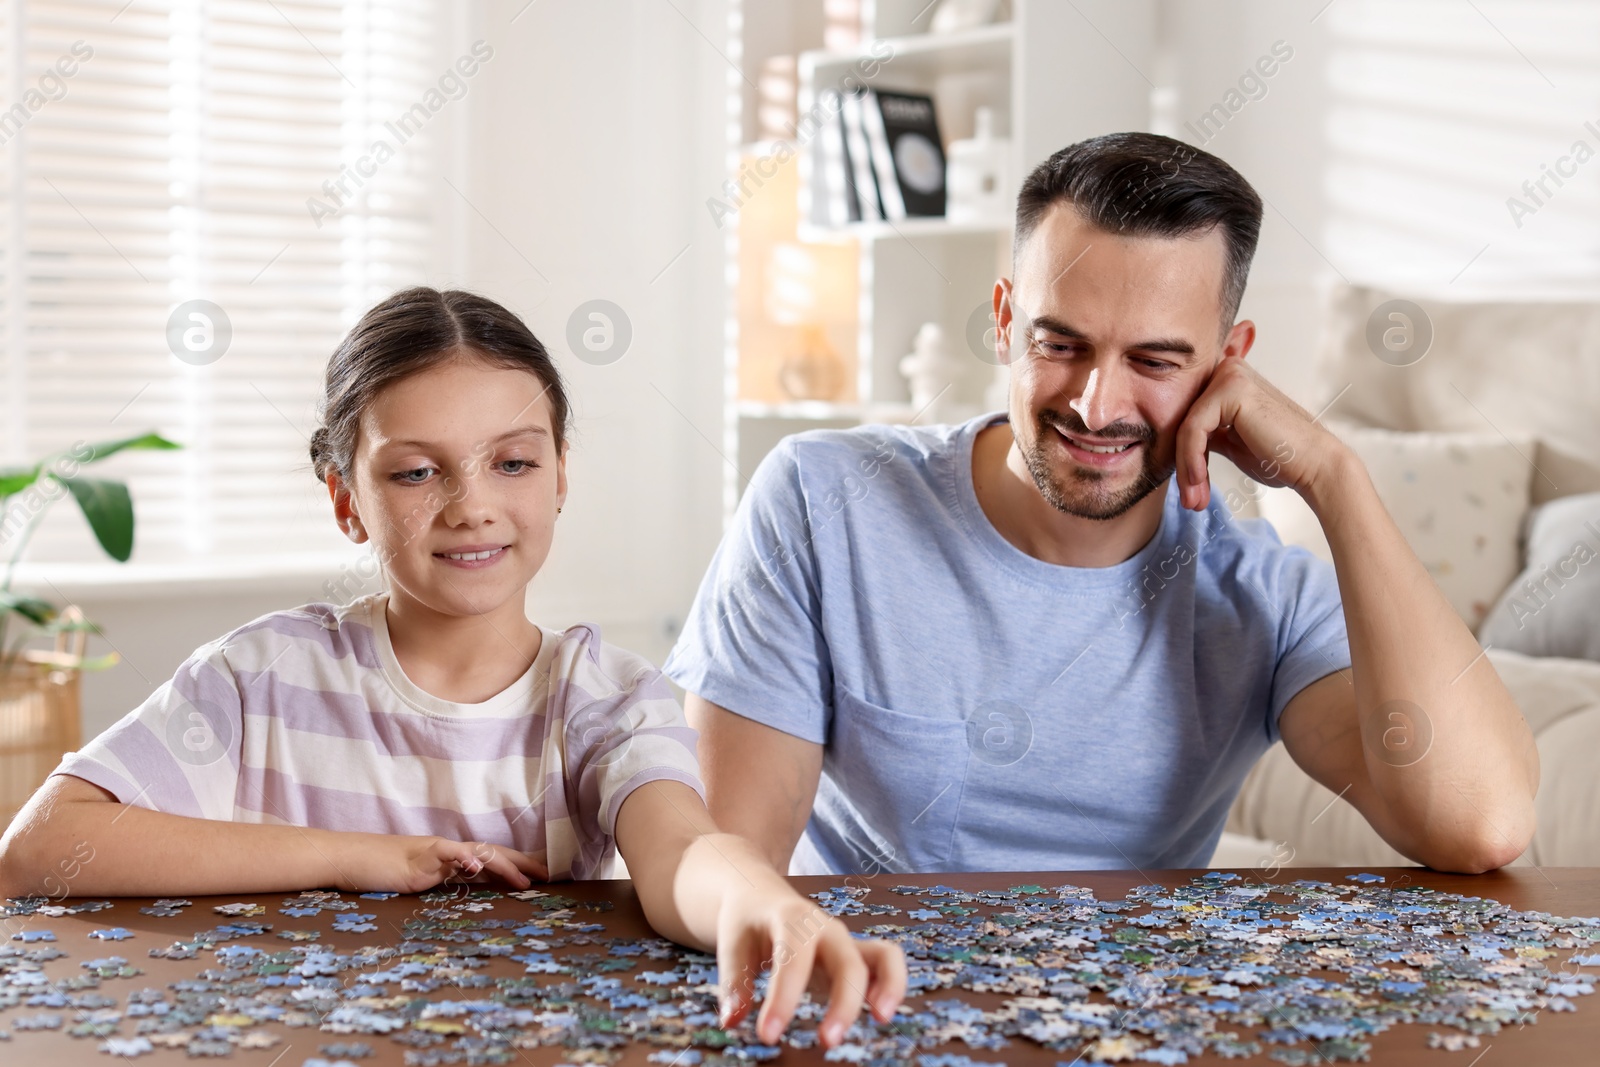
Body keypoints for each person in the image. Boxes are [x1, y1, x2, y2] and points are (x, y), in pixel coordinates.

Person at [0, 287, 905, 1046]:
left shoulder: (606, 697)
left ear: (559, 477)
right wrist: (363, 859)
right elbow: (38, 849)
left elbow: (681, 852)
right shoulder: (260, 675)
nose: (472, 506)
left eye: (512, 461)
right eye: (415, 473)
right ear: (345, 498)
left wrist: (766, 900)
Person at [665, 132, 1539, 878]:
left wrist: (1335, 476)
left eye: (1156, 361)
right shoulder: (824, 501)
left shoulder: (1261, 596)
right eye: (1061, 343)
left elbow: (1481, 823)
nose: (1096, 404)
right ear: (1006, 321)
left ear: (1228, 361)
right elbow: (725, 860)